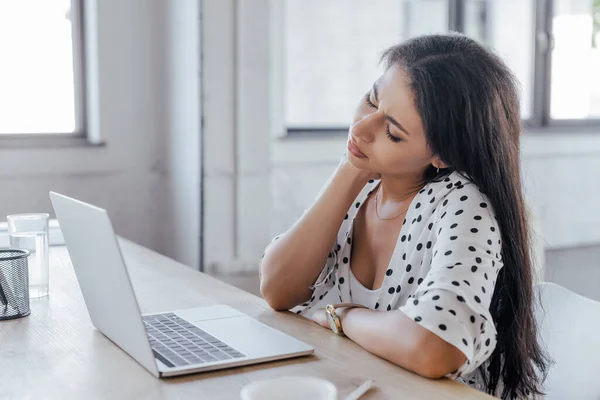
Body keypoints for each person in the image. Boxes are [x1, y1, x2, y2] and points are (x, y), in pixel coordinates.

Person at [259, 33, 551, 399]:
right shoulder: (367, 181)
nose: (361, 128)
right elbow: (277, 287)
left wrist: (342, 317)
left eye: (393, 133)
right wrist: (351, 169)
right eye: (371, 99)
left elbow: (435, 347)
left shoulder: (461, 204)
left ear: (442, 156)